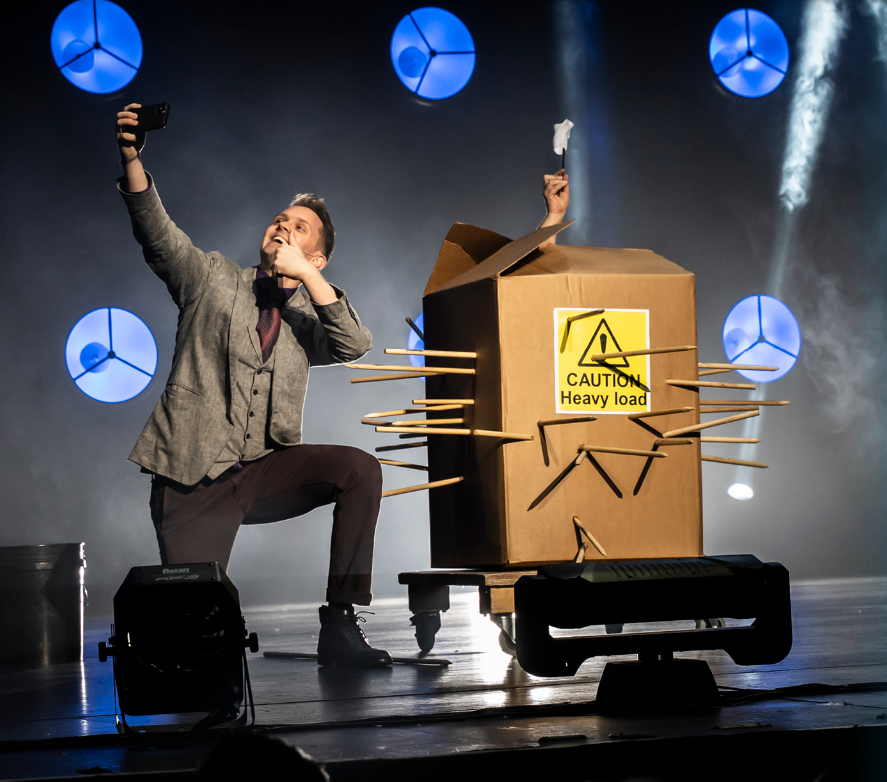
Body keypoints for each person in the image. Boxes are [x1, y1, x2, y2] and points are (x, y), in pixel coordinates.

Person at [115, 103, 390, 668]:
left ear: (318, 256)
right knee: (201, 629)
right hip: (193, 476)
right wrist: (131, 159)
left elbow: (354, 344)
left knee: (360, 469)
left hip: (264, 470)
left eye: (299, 227)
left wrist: (307, 277)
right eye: (280, 220)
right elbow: (158, 236)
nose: (283, 226)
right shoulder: (212, 277)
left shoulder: (308, 320)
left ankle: (340, 622)